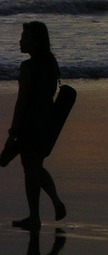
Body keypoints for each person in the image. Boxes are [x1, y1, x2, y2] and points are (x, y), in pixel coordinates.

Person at [6, 22, 68, 231]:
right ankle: (56, 202)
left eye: (25, 37)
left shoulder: (28, 67)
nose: (20, 41)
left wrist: (13, 131)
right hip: (47, 121)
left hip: (30, 123)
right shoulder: (51, 62)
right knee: (36, 167)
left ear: (37, 41)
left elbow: (22, 100)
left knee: (30, 169)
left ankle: (35, 217)